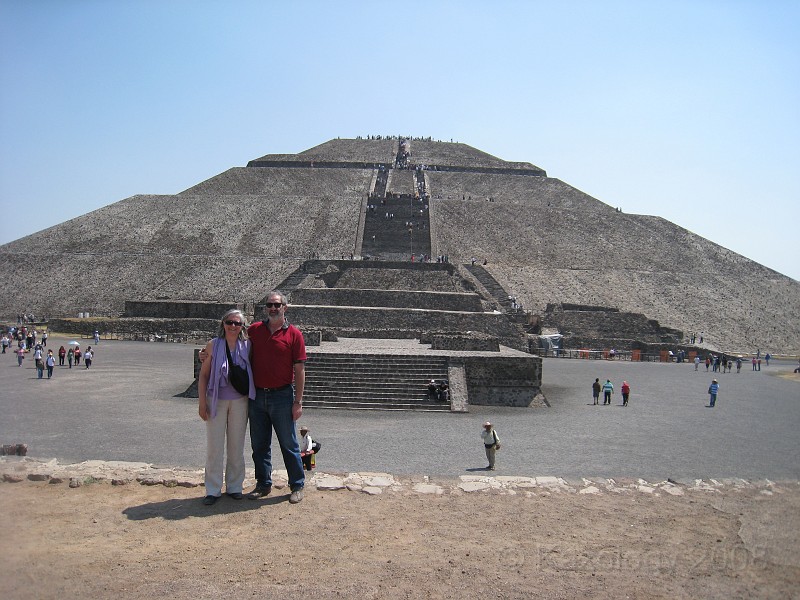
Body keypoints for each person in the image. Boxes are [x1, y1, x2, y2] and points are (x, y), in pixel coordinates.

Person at [247, 291, 307, 504]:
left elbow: (299, 370)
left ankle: (297, 484)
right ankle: (263, 483)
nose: (273, 308)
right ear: (265, 308)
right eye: (270, 305)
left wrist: (298, 401)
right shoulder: (254, 331)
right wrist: (206, 353)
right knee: (259, 444)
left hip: (282, 395)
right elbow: (232, 346)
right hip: (257, 395)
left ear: (285, 308)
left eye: (277, 305)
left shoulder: (294, 334)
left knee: (288, 444)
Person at [197, 309, 255, 506]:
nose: (233, 326)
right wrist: (202, 402)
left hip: (240, 401)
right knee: (214, 446)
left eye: (237, 323)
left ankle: (234, 486)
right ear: (223, 324)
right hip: (216, 400)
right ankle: (212, 489)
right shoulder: (213, 345)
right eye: (229, 322)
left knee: (236, 446)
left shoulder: (247, 345)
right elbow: (203, 375)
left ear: (242, 327)